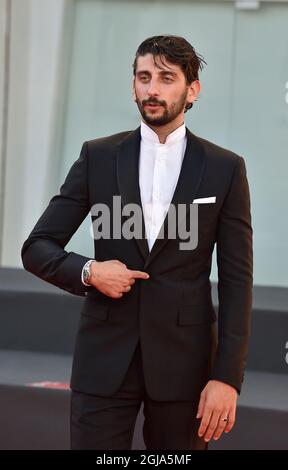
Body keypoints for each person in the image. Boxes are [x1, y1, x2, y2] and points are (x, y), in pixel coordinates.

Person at [21, 35, 253, 450]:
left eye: (167, 78)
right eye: (144, 77)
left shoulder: (225, 168)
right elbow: (37, 246)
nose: (152, 89)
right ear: (133, 85)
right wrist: (91, 272)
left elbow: (237, 281)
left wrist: (226, 377)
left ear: (192, 90)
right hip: (104, 360)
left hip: (187, 365)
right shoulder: (98, 156)